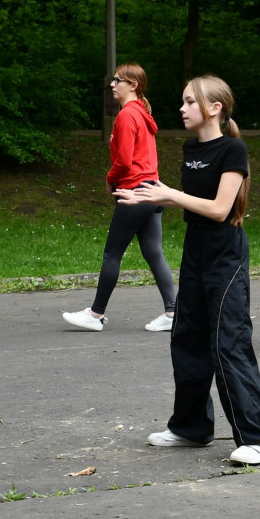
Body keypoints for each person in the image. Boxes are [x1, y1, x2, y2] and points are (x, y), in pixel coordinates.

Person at [115, 75, 260, 466]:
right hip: (196, 250)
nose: (182, 108)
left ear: (215, 108)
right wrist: (148, 194)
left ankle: (257, 438)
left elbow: (221, 208)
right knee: (186, 337)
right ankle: (191, 428)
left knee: (228, 342)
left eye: (190, 102)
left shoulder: (233, 150)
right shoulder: (191, 148)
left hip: (226, 252)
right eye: (184, 101)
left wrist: (169, 194)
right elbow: (191, 201)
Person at [62, 63, 177, 332]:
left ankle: (95, 314)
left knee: (112, 253)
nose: (112, 85)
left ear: (133, 85)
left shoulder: (127, 115)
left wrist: (109, 179)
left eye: (117, 80)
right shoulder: (142, 113)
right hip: (152, 189)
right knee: (153, 253)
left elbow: (125, 161)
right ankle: (173, 313)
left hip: (134, 192)